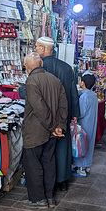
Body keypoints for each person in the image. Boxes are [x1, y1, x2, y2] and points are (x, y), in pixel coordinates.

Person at [21, 53, 68, 208]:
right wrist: (59, 126)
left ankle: (38, 198)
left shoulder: (31, 81)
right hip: (52, 132)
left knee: (33, 164)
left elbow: (39, 108)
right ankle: (49, 197)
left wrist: (53, 126)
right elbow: (63, 106)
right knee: (48, 163)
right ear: (41, 62)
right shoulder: (55, 79)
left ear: (27, 67)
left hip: (36, 130)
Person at [35, 36, 79, 191]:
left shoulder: (38, 67)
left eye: (37, 47)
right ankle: (63, 180)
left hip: (44, 116)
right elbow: (73, 92)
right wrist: (75, 113)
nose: (35, 49)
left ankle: (47, 182)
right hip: (63, 114)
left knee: (45, 148)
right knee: (62, 147)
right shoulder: (66, 67)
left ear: (43, 48)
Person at [72, 73, 98, 177]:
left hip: (83, 125)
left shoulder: (84, 97)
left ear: (82, 83)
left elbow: (81, 113)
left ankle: (80, 169)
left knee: (81, 145)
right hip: (91, 124)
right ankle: (87, 166)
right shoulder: (93, 95)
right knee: (89, 145)